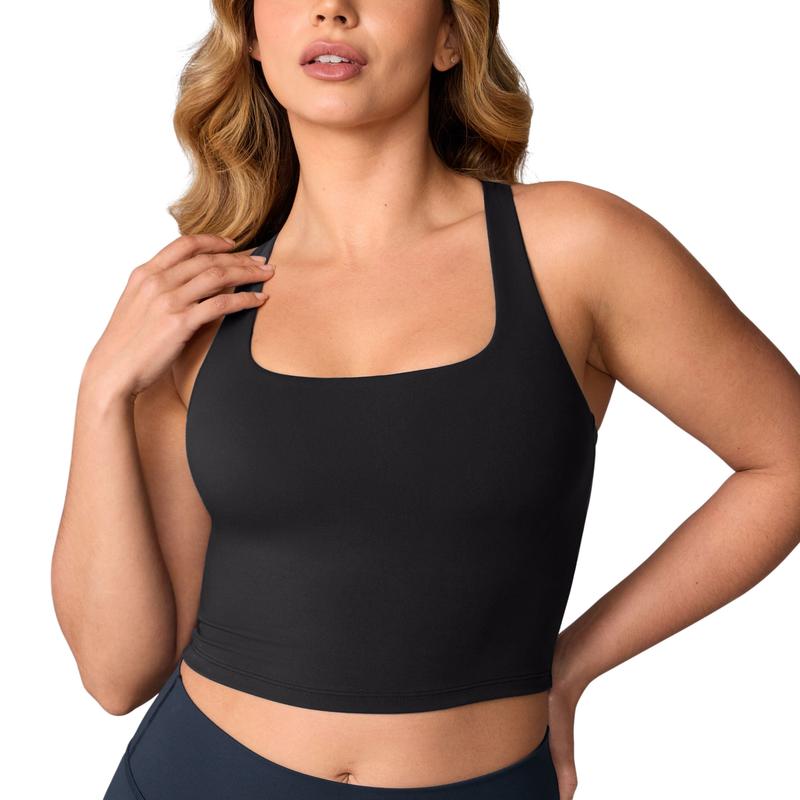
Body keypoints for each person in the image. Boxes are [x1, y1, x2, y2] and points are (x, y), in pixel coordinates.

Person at [51, 2, 800, 799]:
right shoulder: (200, 304)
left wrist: (576, 661)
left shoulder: (575, 249)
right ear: (255, 38)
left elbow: (784, 461)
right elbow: (116, 675)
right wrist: (102, 391)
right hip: (196, 775)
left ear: (449, 36)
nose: (332, 8)